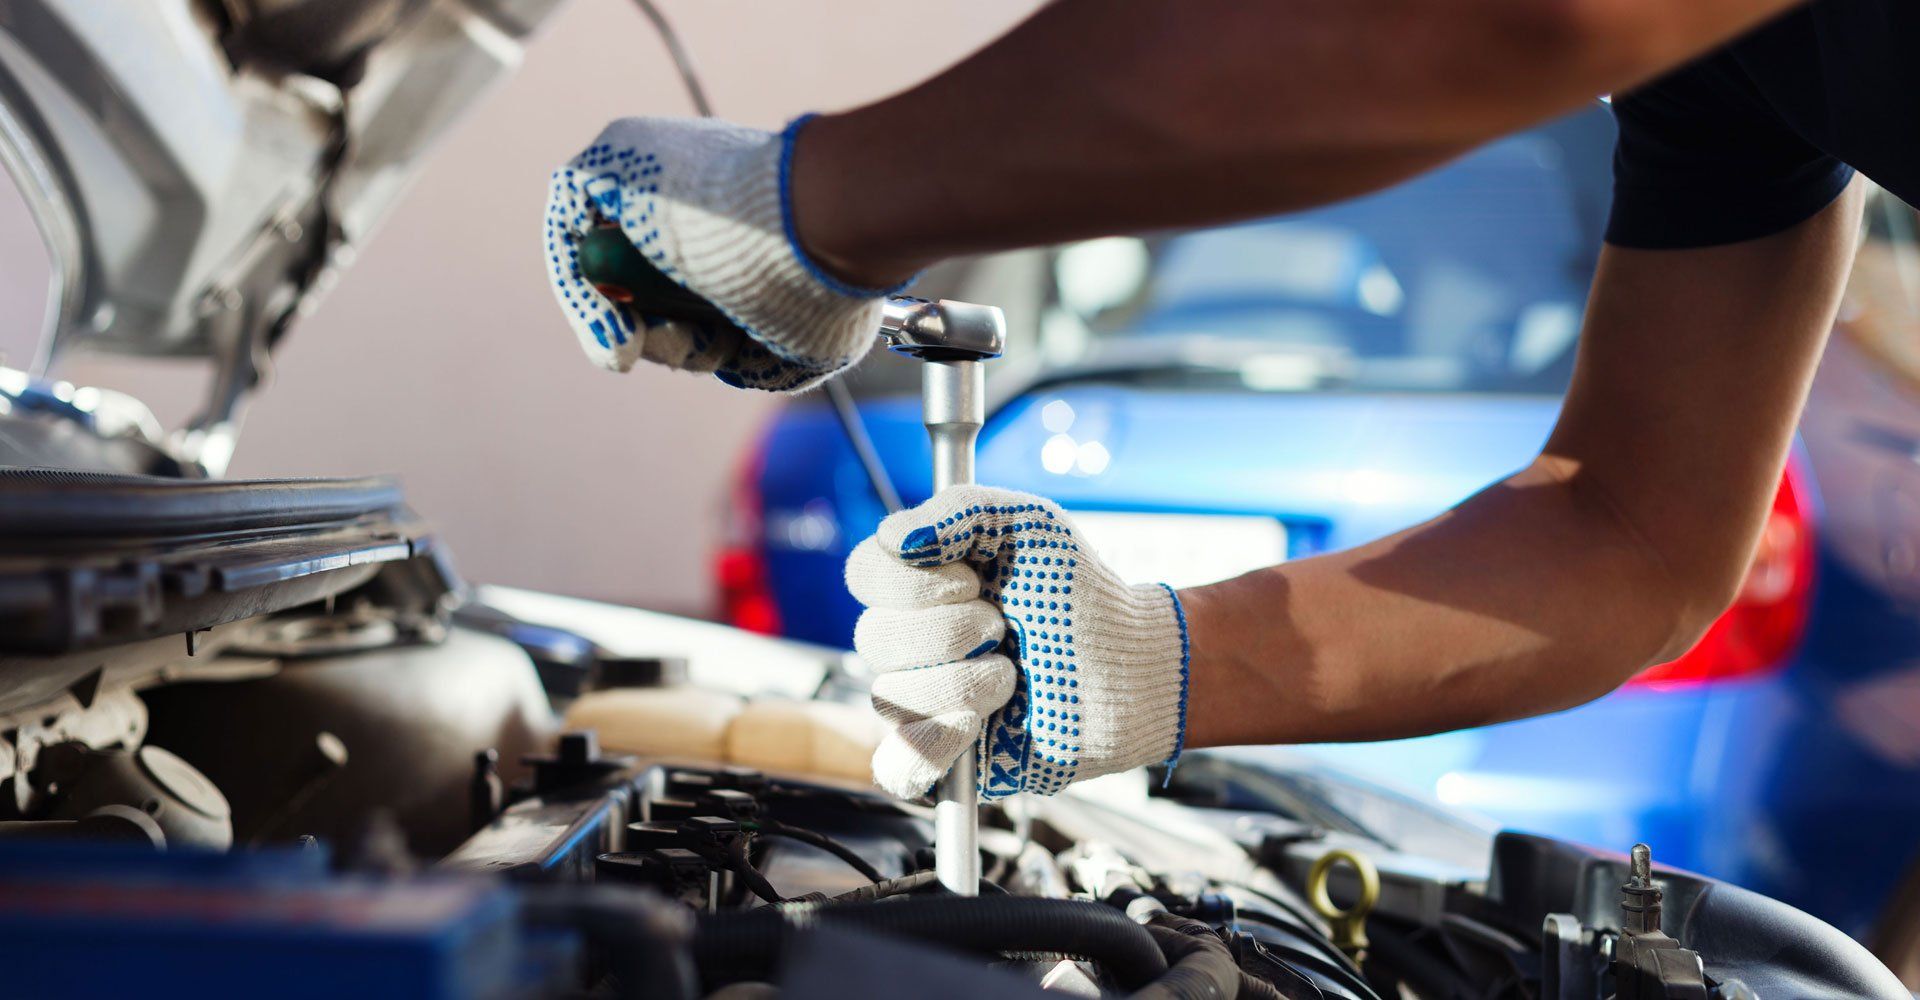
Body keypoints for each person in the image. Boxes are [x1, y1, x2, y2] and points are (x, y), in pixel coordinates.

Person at [544, 0, 1903, 799]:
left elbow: (1490, 25)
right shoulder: (1734, 80)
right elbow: (1637, 538)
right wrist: (1144, 661)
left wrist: (819, 204)